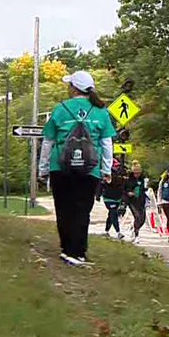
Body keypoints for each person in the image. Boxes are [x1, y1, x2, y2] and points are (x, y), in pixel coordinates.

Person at [37, 70, 115, 266]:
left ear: (74, 88)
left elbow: (48, 142)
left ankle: (67, 249)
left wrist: (43, 169)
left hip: (60, 167)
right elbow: (106, 144)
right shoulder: (101, 111)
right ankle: (79, 251)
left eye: (69, 84)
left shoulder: (60, 109)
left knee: (64, 208)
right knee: (82, 210)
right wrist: (106, 170)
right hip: (90, 169)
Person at [98, 160, 127, 240]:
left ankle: (106, 231)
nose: (117, 167)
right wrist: (98, 195)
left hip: (117, 197)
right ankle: (118, 232)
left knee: (111, 214)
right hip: (109, 198)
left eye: (118, 166)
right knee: (113, 213)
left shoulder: (121, 174)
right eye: (116, 166)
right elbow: (103, 184)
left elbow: (123, 185)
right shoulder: (108, 174)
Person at [124, 161, 149, 243]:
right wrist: (128, 192)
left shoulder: (143, 180)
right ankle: (136, 235)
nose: (136, 175)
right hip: (132, 201)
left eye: (138, 173)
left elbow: (145, 189)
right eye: (135, 173)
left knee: (142, 219)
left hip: (141, 201)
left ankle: (134, 228)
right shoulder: (129, 180)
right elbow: (124, 189)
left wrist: (146, 187)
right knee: (137, 217)